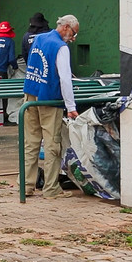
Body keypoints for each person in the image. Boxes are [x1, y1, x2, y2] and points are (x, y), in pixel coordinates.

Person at [23, 15, 79, 199]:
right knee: (52, 144)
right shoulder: (61, 47)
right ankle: (51, 188)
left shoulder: (39, 38)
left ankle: (25, 185)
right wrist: (71, 106)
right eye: (73, 33)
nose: (73, 38)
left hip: (30, 95)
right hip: (49, 99)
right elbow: (65, 79)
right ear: (66, 27)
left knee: (30, 143)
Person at [0, 21, 19, 125]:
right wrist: (15, 67)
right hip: (1, 72)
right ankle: (4, 119)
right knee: (3, 95)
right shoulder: (9, 42)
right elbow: (11, 59)